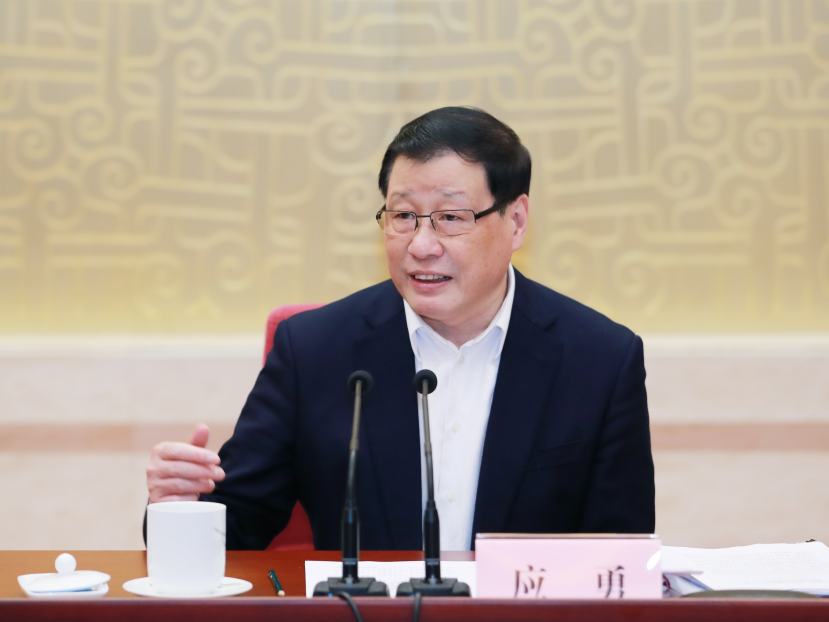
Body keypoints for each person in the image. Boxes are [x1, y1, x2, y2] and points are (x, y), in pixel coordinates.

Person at [146, 107, 655, 551]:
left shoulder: (601, 361)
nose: (421, 245)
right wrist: (180, 507)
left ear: (516, 221)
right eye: (404, 216)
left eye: (451, 217)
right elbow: (235, 531)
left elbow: (620, 561)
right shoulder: (314, 351)